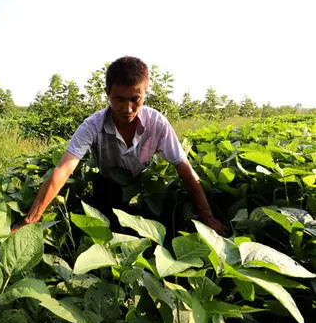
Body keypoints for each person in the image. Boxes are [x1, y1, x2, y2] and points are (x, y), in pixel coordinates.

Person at [13, 56, 227, 236]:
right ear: (107, 93)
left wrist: (208, 218)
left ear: (145, 92)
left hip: (143, 187)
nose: (127, 108)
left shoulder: (157, 123)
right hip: (108, 186)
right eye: (119, 99)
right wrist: (30, 219)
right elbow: (63, 170)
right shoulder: (92, 125)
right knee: (106, 230)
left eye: (135, 99)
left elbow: (184, 169)